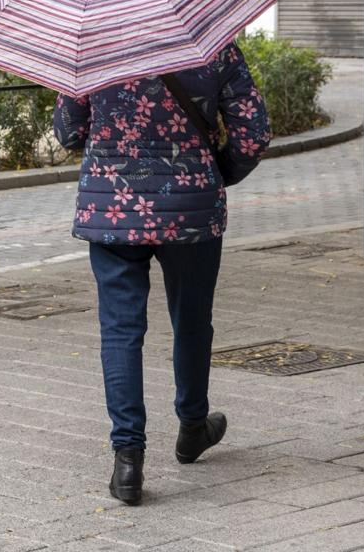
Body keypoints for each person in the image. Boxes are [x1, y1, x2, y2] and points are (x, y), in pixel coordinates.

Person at [52, 41, 272, 506]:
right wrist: (216, 171)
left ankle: (128, 458)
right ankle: (193, 426)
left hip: (110, 209)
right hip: (190, 208)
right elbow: (253, 134)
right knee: (192, 320)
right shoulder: (213, 46)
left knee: (119, 331)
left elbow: (69, 131)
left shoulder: (92, 46)